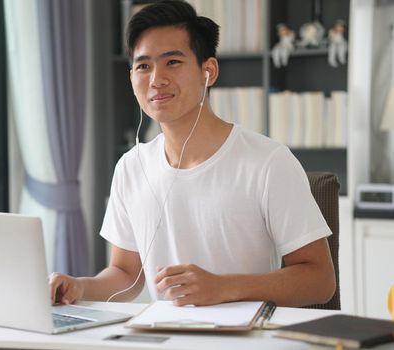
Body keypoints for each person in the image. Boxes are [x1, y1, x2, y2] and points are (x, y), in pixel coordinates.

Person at [49, 0, 336, 307]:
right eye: (143, 66)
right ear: (131, 77)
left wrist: (223, 288)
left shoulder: (268, 161)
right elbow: (125, 274)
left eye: (172, 62)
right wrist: (79, 286)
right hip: (165, 335)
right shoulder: (131, 167)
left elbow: (320, 280)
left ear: (208, 71)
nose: (156, 79)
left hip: (243, 337)